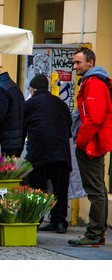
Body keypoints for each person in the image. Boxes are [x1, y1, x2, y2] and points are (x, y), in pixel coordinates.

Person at [68, 47, 112, 246]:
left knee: (95, 191)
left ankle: (93, 234)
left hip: (91, 144)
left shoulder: (94, 84)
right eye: (74, 62)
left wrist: (81, 141)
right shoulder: (93, 82)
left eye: (78, 62)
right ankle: (98, 233)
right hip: (94, 142)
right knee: (99, 190)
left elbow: (94, 118)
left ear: (90, 63)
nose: (75, 66)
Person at [22, 74, 72, 233]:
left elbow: (22, 129)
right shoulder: (61, 104)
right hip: (61, 152)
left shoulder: (29, 104)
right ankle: (60, 222)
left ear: (33, 89)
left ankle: (35, 219)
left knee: (37, 187)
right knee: (60, 189)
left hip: (40, 151)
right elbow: (68, 130)